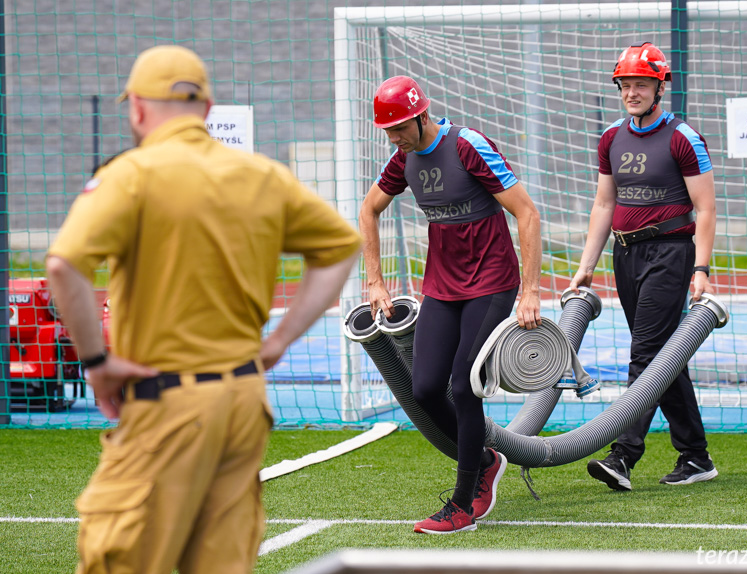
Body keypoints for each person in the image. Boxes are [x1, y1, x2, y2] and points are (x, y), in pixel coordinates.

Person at [46, 45, 361, 573]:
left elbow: (63, 267)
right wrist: (279, 341)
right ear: (207, 108)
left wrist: (97, 365)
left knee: (116, 560)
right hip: (243, 403)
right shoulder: (263, 176)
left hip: (168, 402)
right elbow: (341, 246)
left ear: (138, 109)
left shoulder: (132, 174)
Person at [360, 76, 542, 534]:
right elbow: (368, 210)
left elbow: (527, 212)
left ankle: (461, 507)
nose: (396, 138)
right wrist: (375, 281)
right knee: (424, 391)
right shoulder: (403, 159)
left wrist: (531, 291)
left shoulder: (468, 146)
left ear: (422, 115)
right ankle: (485, 459)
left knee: (464, 386)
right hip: (441, 288)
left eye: (401, 127)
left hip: (492, 283)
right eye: (389, 132)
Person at [571, 42, 718, 491]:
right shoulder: (611, 137)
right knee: (659, 357)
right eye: (625, 84)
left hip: (671, 253)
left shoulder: (682, 136)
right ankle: (695, 455)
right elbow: (603, 202)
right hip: (625, 254)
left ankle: (623, 454)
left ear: (660, 87)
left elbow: (706, 209)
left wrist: (702, 268)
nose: (632, 92)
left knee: (645, 354)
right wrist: (586, 266)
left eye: (641, 84)